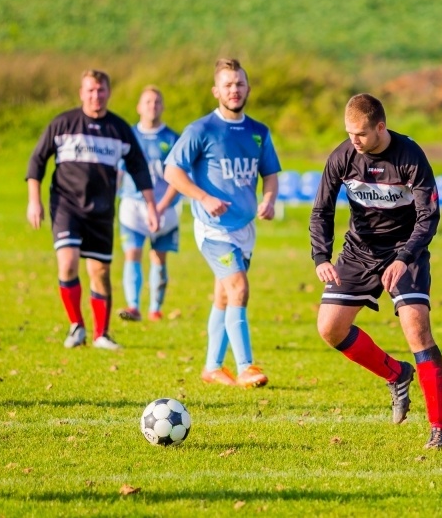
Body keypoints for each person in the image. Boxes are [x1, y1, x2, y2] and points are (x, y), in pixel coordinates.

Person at [310, 93, 442, 449]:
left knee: (417, 329)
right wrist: (321, 257)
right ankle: (396, 373)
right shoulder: (343, 156)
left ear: (380, 127)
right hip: (360, 251)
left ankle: (440, 430)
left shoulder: (410, 156)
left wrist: (404, 257)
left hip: (407, 252)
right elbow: (321, 210)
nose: (352, 140)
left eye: (359, 133)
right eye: (348, 133)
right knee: (330, 328)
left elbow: (428, 217)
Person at [164, 58, 280, 389]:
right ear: (216, 90)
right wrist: (202, 197)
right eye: (228, 85)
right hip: (213, 230)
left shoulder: (258, 132)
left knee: (224, 296)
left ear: (248, 88)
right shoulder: (200, 130)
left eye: (239, 84)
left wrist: (268, 199)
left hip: (245, 229)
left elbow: (270, 174)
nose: (234, 90)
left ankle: (212, 367)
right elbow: (172, 171)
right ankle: (246, 367)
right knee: (239, 288)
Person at [26, 69, 158, 351]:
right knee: (68, 262)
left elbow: (139, 168)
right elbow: (37, 160)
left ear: (108, 92)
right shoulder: (63, 123)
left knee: (99, 271)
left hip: (101, 211)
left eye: (100, 90)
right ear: (81, 93)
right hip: (66, 206)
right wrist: (33, 200)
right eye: (90, 90)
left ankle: (101, 335)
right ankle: (76, 326)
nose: (95, 96)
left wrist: (151, 206)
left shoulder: (120, 130)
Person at [117, 86, 181, 322]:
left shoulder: (173, 138)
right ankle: (133, 306)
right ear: (138, 107)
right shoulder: (129, 136)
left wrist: (162, 206)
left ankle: (155, 308)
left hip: (165, 207)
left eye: (156, 102)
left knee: (158, 258)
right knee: (132, 253)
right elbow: (119, 172)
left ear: (162, 106)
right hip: (133, 206)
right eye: (147, 102)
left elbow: (179, 177)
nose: (152, 106)